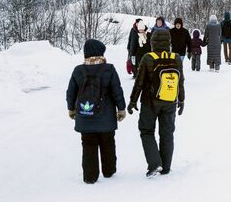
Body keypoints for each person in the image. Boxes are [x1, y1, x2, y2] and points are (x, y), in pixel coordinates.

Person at [66, 39, 126, 184]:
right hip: (106, 117)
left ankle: (90, 176)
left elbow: (71, 92)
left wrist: (71, 109)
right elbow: (117, 90)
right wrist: (121, 109)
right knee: (108, 142)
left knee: (88, 145)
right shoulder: (109, 69)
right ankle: (109, 170)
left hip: (85, 116)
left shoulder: (78, 70)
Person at [127, 30, 185, 177]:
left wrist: (132, 101)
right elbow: (181, 81)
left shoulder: (148, 58)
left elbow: (139, 83)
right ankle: (166, 167)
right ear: (169, 42)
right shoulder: (176, 58)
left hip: (149, 102)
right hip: (170, 101)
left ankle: (154, 164)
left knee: (146, 131)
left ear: (152, 42)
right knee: (167, 133)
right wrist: (182, 100)